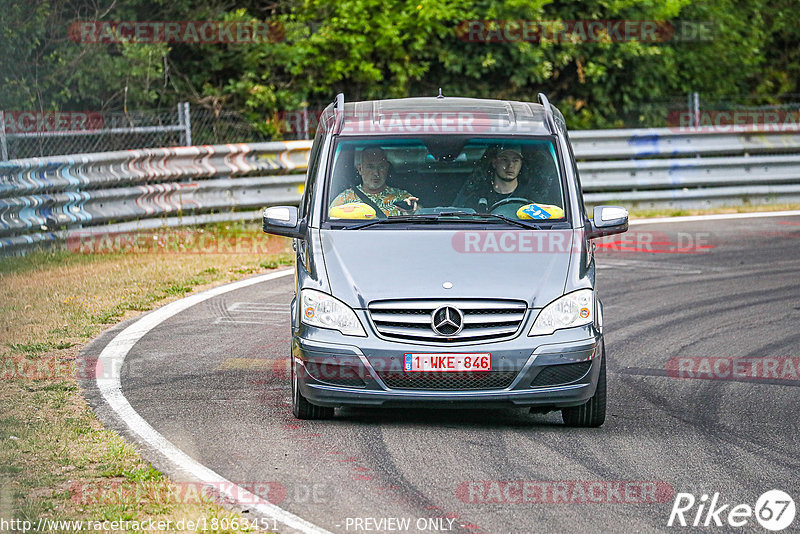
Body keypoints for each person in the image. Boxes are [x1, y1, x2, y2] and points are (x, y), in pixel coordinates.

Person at [330, 147, 420, 216]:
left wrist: (412, 209)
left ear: (387, 168)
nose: (376, 173)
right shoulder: (345, 199)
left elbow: (420, 212)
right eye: (370, 167)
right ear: (360, 169)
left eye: (381, 167)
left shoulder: (402, 197)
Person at [453, 144, 537, 211]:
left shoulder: (531, 199)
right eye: (504, 160)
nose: (510, 165)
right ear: (494, 163)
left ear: (521, 164)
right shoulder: (478, 197)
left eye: (515, 160)